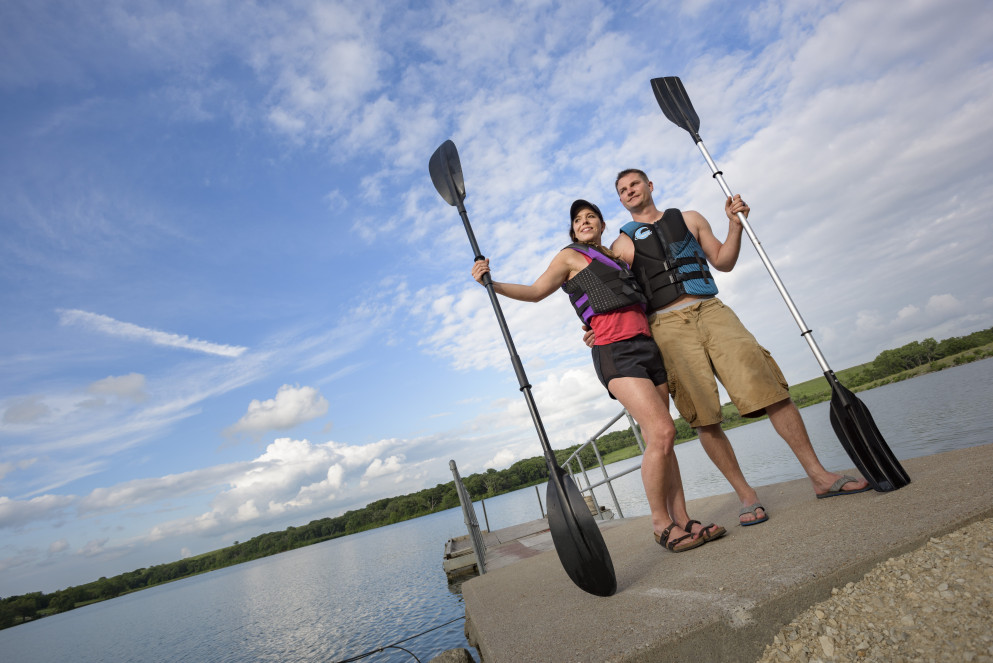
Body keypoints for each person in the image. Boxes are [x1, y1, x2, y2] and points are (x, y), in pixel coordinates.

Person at [589, 169, 869, 525]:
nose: (630, 191)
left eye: (634, 184)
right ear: (620, 200)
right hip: (667, 327)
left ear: (649, 186)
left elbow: (723, 261)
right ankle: (746, 496)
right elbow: (615, 300)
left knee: (771, 391)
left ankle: (819, 476)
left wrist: (735, 224)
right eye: (622, 190)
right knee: (705, 418)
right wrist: (595, 327)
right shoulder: (620, 247)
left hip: (713, 312)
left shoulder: (689, 219)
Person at [471, 199, 725, 552]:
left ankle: (682, 517)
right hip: (615, 352)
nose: (585, 221)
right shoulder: (569, 257)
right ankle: (660, 524)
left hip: (648, 348)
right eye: (578, 219)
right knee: (663, 431)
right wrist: (491, 282)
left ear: (602, 225)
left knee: (662, 440)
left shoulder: (616, 257)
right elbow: (534, 293)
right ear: (573, 230)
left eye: (591, 216)